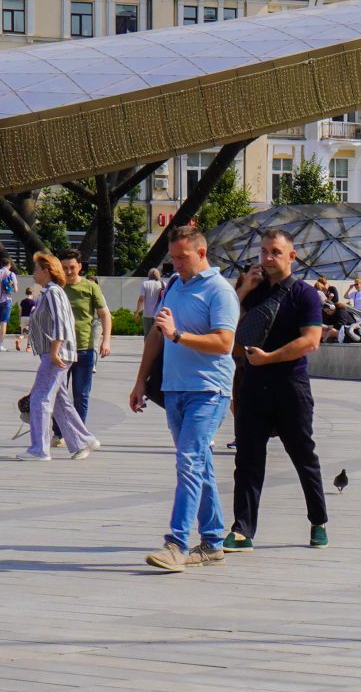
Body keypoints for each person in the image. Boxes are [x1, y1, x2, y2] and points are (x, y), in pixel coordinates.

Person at [131, 225, 239, 571]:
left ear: (202, 253)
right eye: (173, 258)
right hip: (174, 388)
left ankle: (176, 543)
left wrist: (179, 335)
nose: (175, 264)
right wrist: (140, 381)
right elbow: (156, 337)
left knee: (189, 461)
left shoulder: (220, 291)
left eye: (182, 257)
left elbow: (224, 343)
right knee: (199, 463)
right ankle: (212, 541)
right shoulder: (174, 286)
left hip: (208, 390)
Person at [227, 229, 329, 550]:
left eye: (275, 252)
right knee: (247, 460)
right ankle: (243, 528)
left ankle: (318, 521)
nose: (268, 258)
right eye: (264, 252)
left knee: (303, 456)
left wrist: (269, 358)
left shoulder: (304, 295)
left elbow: (311, 340)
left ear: (291, 256)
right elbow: (227, 331)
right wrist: (242, 290)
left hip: (290, 387)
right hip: (253, 386)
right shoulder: (253, 292)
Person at [16, 252, 97, 462]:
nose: (33, 273)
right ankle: (83, 440)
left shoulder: (53, 292)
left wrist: (54, 351)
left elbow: (61, 323)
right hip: (55, 353)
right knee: (60, 401)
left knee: (40, 398)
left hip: (56, 354)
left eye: (36, 269)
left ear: (46, 271)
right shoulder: (49, 292)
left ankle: (39, 449)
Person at [59, 250, 110, 426]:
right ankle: (58, 432)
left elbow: (105, 315)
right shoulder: (56, 287)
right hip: (60, 350)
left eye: (72, 267)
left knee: (81, 393)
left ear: (80, 266)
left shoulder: (90, 287)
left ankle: (79, 432)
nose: (68, 271)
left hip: (84, 348)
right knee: (59, 392)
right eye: (64, 267)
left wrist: (106, 340)